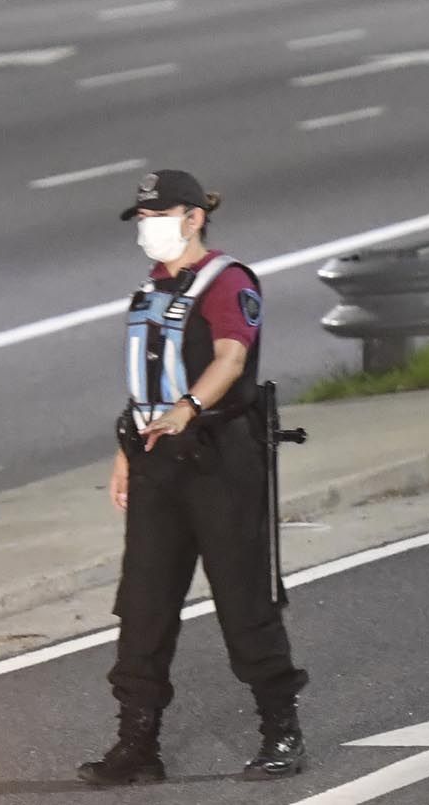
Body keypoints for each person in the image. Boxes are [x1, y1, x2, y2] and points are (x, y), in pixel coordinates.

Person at [78, 169, 310, 786]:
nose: (149, 228)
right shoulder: (152, 287)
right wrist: (128, 450)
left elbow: (232, 359)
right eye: (143, 218)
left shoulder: (228, 282)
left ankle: (281, 731)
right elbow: (144, 381)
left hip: (219, 459)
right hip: (157, 459)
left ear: (194, 216)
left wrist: (189, 409)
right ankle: (137, 745)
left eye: (159, 215)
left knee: (243, 598)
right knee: (144, 605)